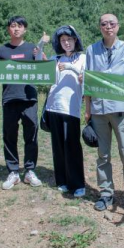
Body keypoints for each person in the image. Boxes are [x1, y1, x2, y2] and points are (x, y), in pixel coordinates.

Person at [85, 13, 124, 212]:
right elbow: (89, 81)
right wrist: (88, 108)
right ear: (100, 27)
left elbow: (117, 72)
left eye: (112, 24)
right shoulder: (91, 50)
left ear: (118, 26)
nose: (108, 27)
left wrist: (93, 77)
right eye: (104, 24)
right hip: (99, 109)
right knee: (103, 154)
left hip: (120, 108)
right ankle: (106, 193)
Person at [0, 16, 44, 190]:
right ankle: (13, 171)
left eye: (20, 26)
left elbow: (41, 67)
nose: (16, 29)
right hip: (9, 98)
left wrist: (40, 57)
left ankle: (30, 170)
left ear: (25, 29)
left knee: (31, 134)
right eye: (13, 26)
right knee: (9, 135)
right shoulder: (1, 50)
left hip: (29, 97)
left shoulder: (32, 48)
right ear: (9, 29)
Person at [46, 25, 87, 197]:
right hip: (53, 106)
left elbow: (85, 78)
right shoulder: (55, 58)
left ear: (75, 40)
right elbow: (43, 74)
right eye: (63, 40)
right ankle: (61, 180)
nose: (66, 43)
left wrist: (71, 69)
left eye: (69, 39)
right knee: (58, 146)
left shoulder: (83, 58)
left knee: (72, 145)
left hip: (71, 107)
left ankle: (77, 184)